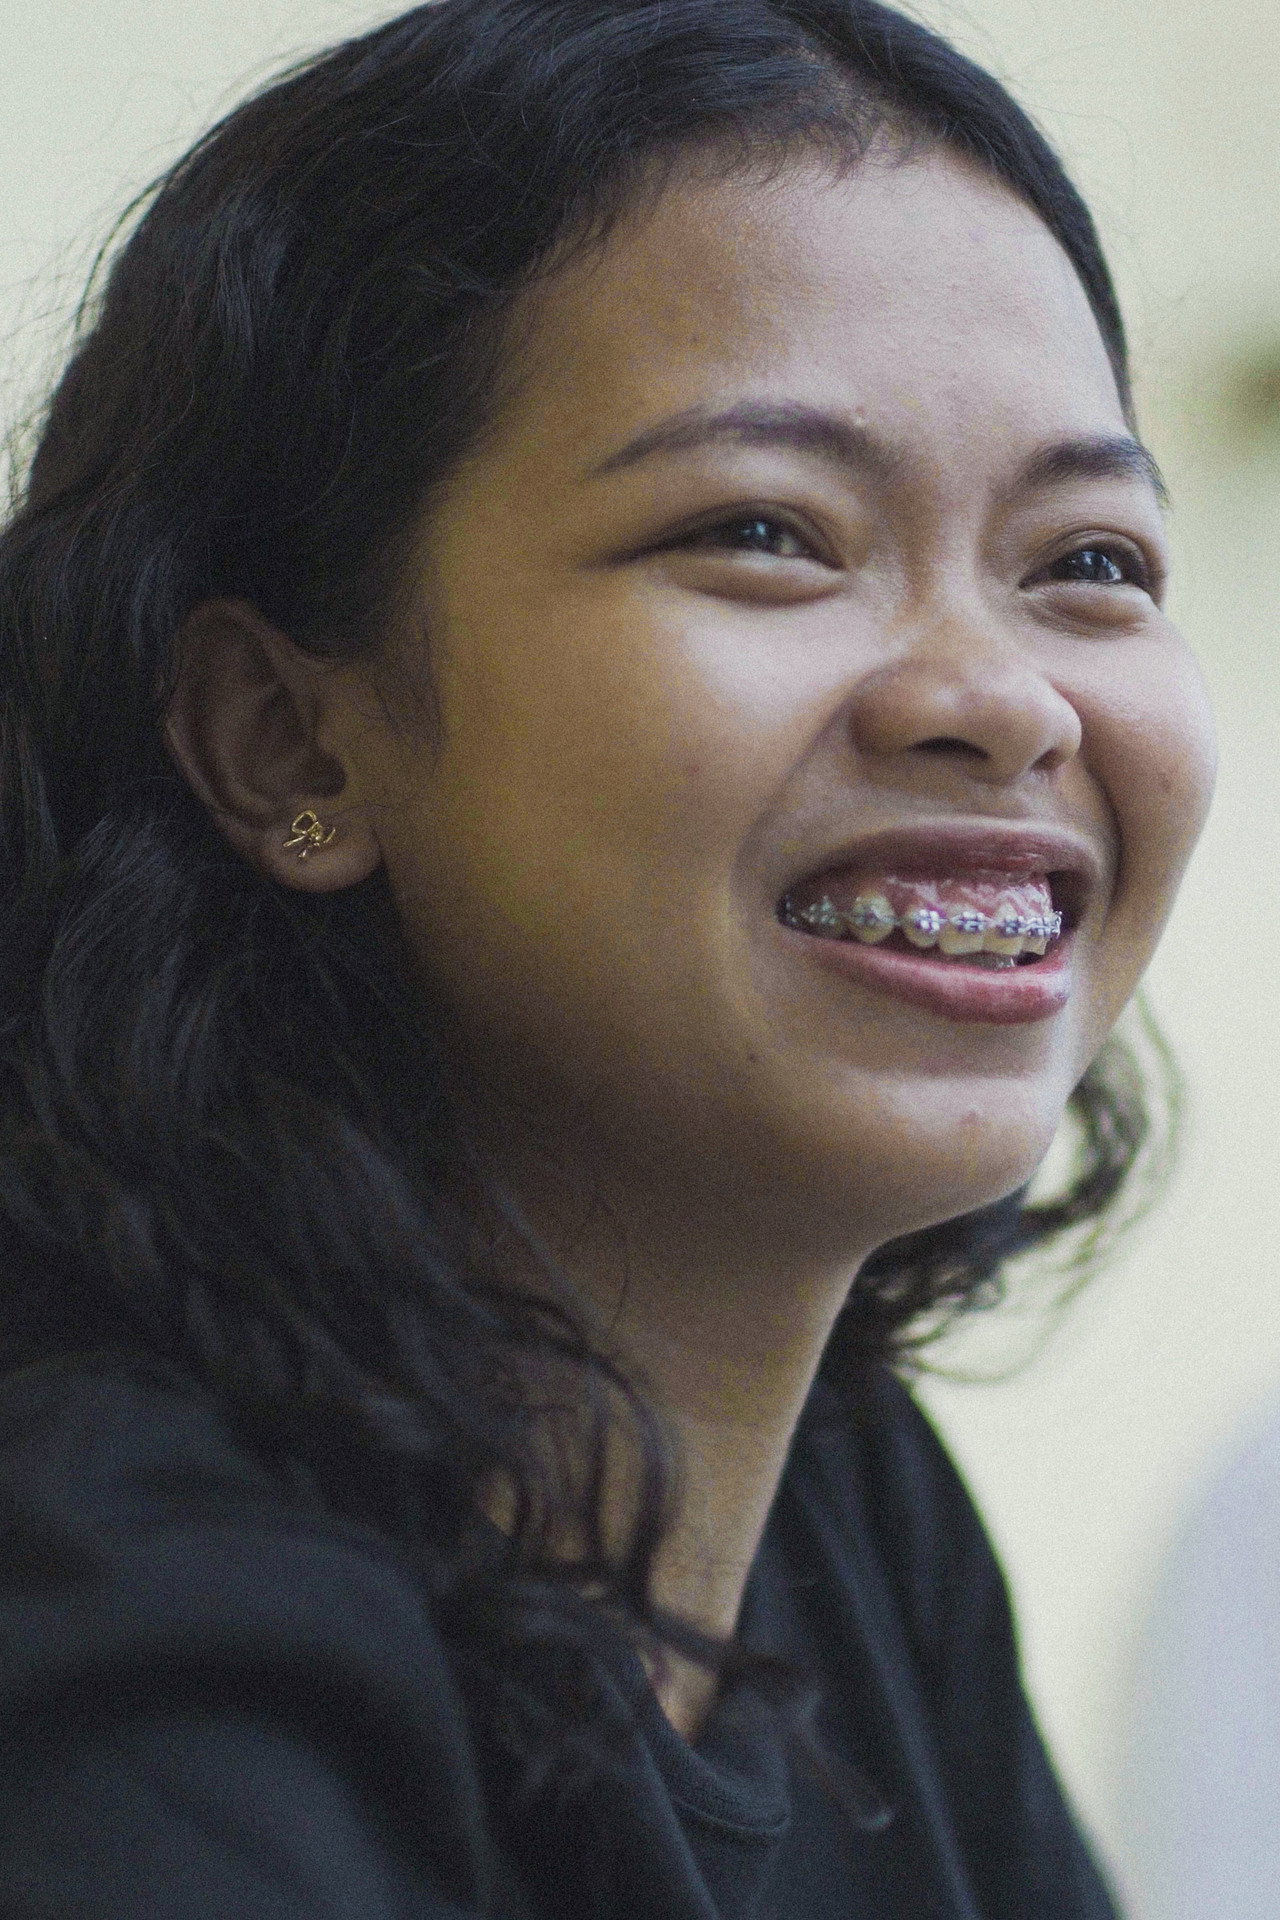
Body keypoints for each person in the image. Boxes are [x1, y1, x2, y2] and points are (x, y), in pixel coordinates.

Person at [0, 1, 1215, 1913]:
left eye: (1090, 562)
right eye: (766, 531)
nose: (1000, 698)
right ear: (287, 741)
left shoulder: (842, 1500)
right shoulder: (125, 1633)